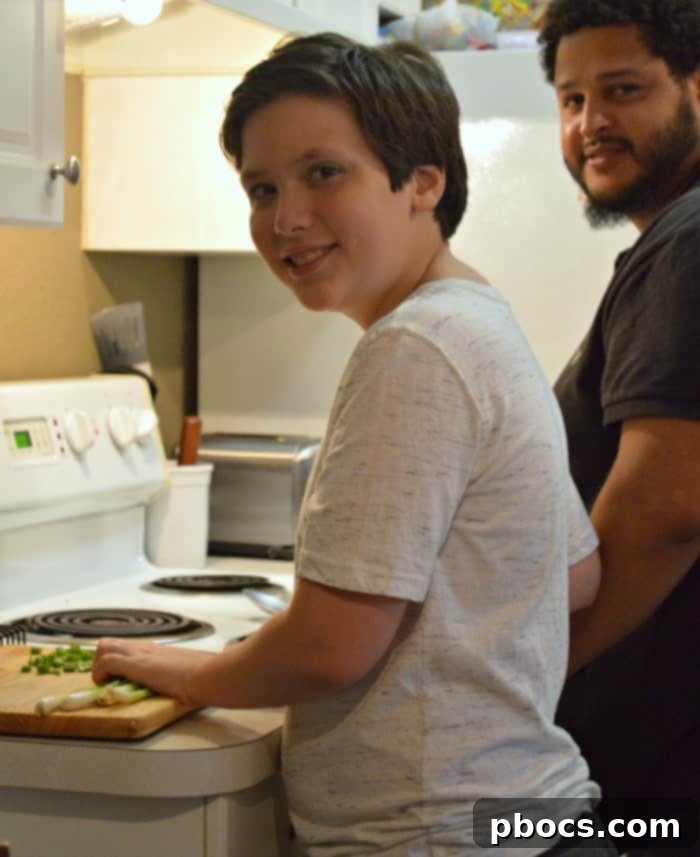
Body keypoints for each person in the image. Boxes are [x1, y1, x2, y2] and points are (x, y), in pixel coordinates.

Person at [93, 33, 604, 855]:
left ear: (423, 182)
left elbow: (331, 645)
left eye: (323, 172)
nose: (284, 218)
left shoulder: (417, 345)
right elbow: (575, 575)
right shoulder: (479, 320)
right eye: (261, 187)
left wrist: (190, 671)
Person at [538, 0, 700, 850]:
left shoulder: (689, 241)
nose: (590, 124)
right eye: (571, 100)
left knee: (467, 834)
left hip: (659, 792)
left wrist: (514, 676)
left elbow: (666, 512)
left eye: (623, 89)